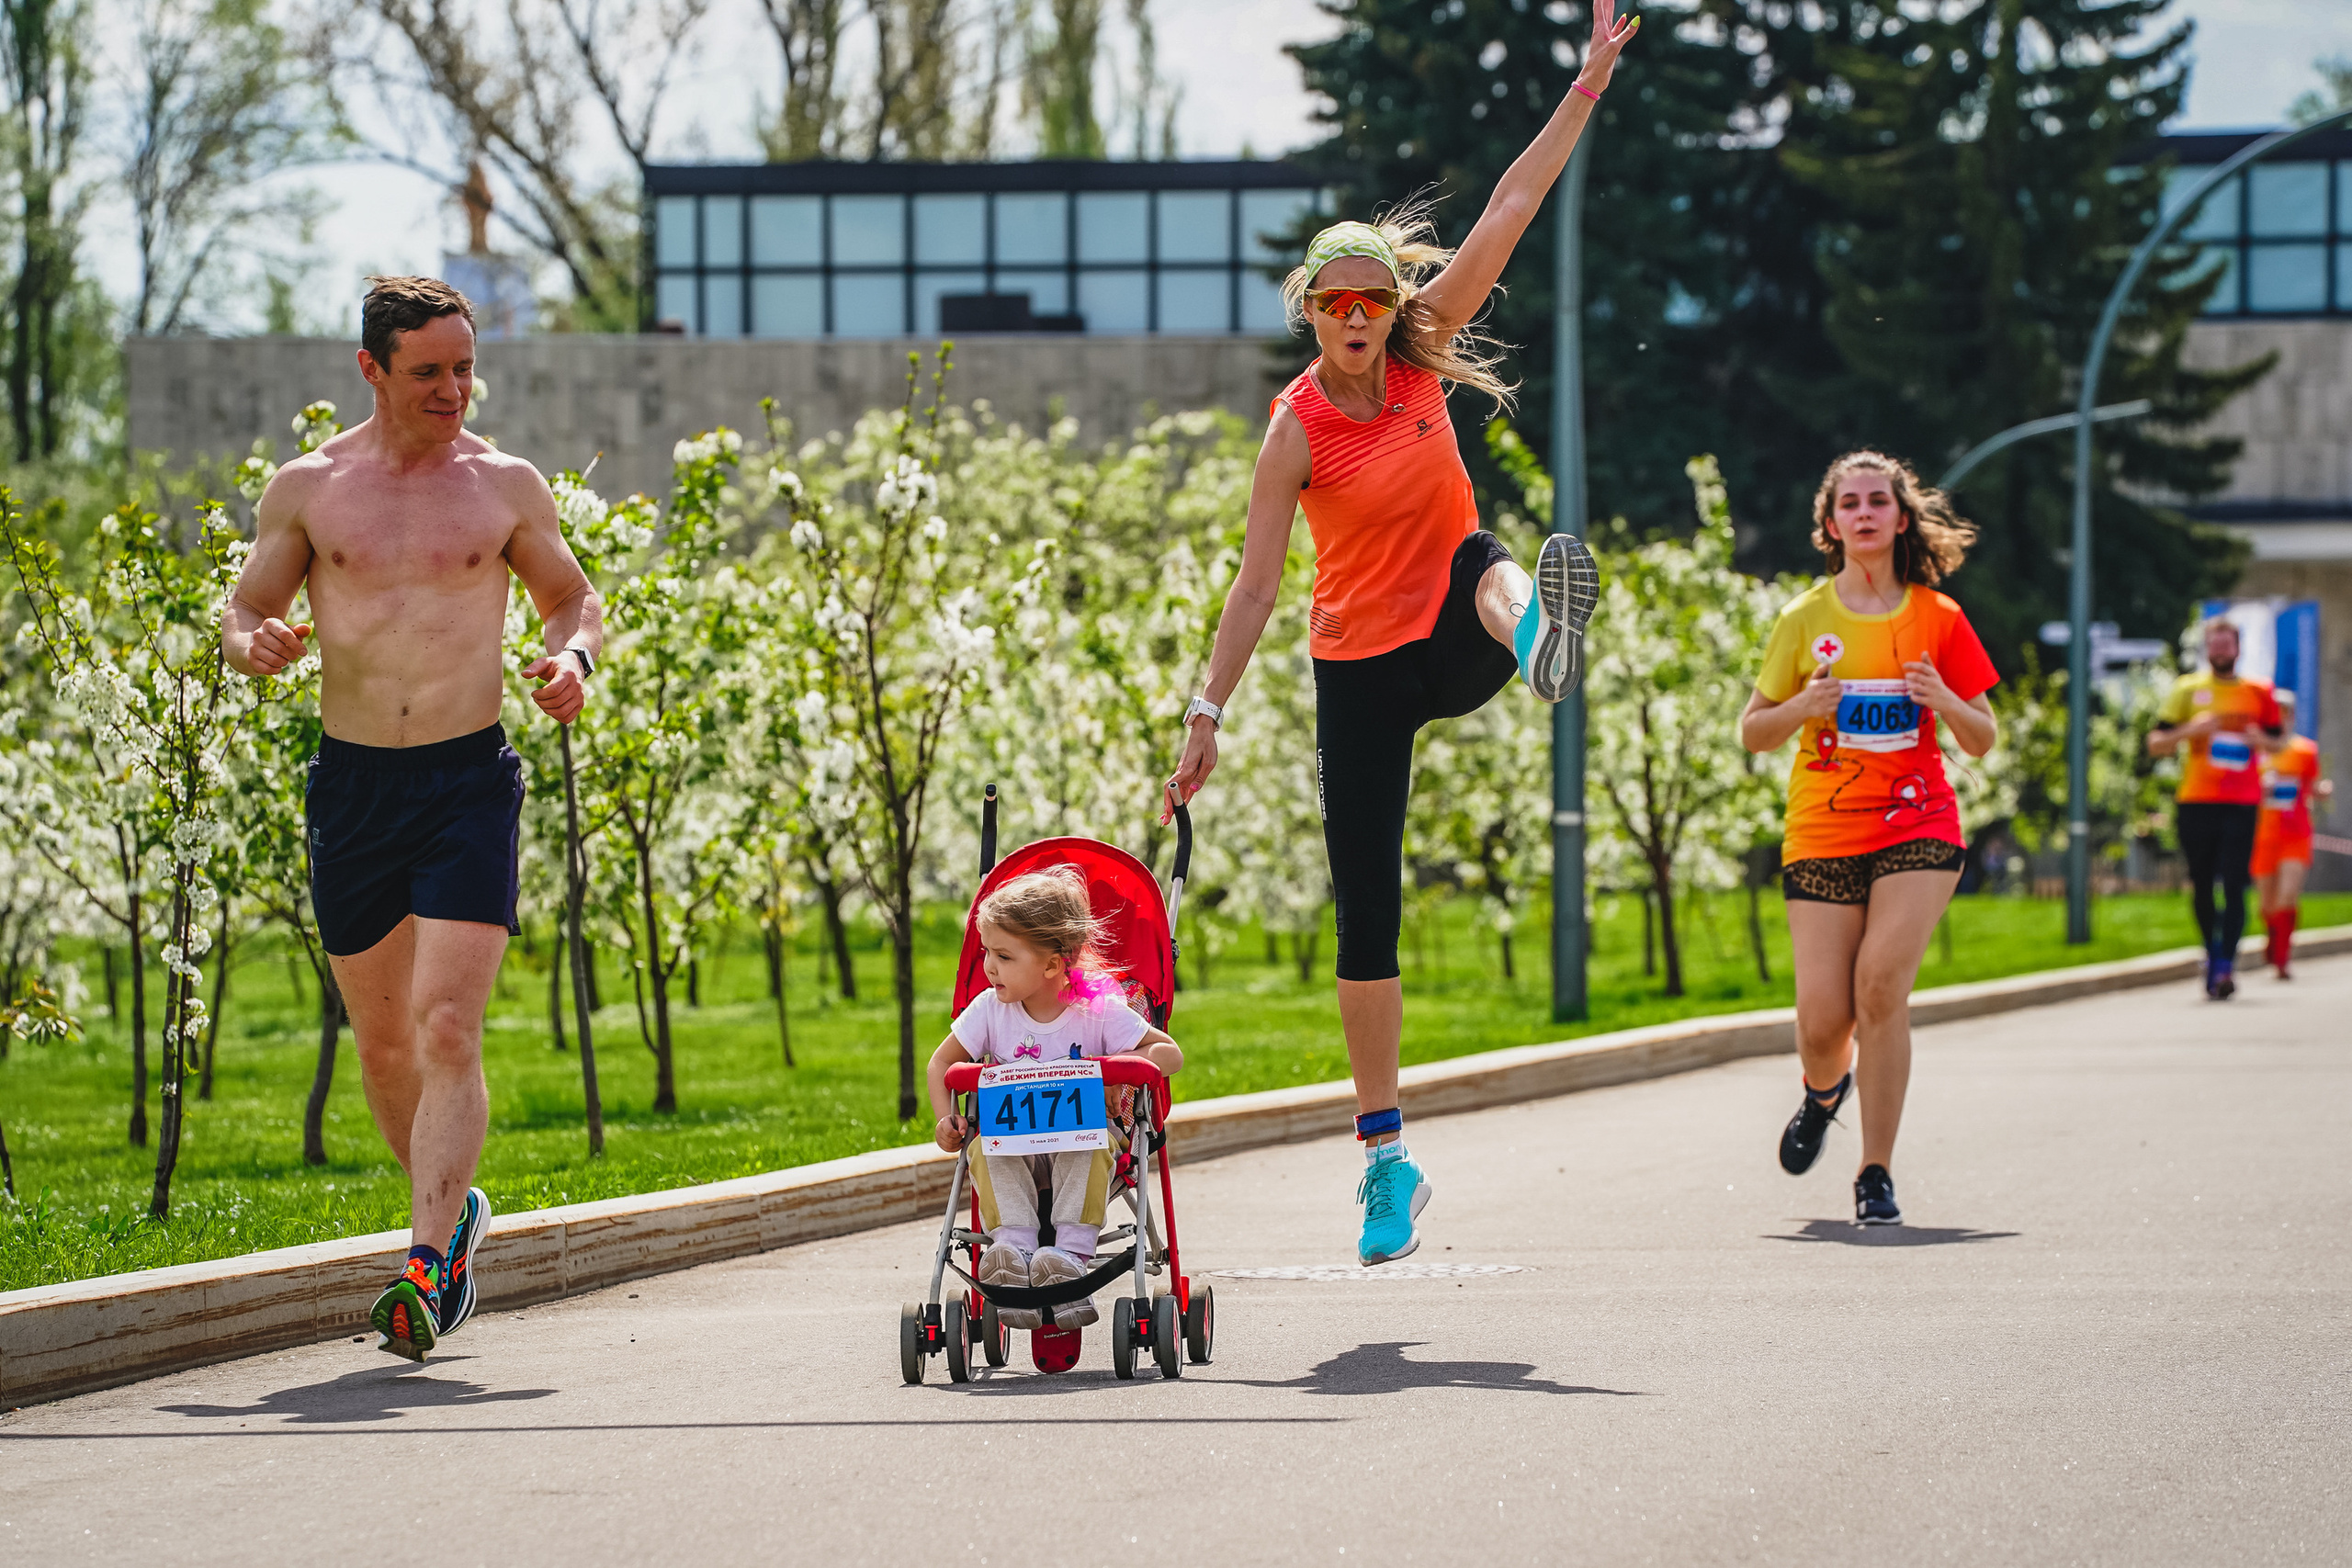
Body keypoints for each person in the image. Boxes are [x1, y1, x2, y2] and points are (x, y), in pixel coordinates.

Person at [1161, 0, 1637, 1268]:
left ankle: (1544, 635)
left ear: (1394, 302)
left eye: (1377, 293)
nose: (1363, 314)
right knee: (1364, 909)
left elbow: (1510, 210)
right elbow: (1257, 587)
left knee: (1486, 558)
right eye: (1339, 300)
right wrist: (1205, 714)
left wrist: (1586, 82)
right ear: (1311, 311)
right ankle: (1387, 1159)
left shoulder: (1426, 361)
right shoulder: (1295, 429)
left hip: (1458, 625)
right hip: (1356, 668)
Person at [221, 276, 603, 1360]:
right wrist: (247, 641)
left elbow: (572, 597)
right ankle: (455, 1214)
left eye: (464, 368)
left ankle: (426, 1263)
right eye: (428, 370)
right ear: (371, 369)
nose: (453, 390)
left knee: (445, 1026)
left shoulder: (504, 485)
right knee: (384, 1045)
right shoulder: (309, 489)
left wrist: (570, 657)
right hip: (353, 789)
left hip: (466, 782)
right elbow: (247, 607)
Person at [1739, 454, 1998, 1226]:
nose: (1863, 513)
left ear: (1899, 517)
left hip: (1918, 821)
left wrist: (1942, 695)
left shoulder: (1939, 618)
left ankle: (1875, 1171)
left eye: (1876, 500)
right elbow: (1754, 730)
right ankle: (1825, 1093)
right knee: (1824, 1021)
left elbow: (1982, 737)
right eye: (1847, 503)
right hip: (1823, 826)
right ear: (1830, 524)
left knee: (1881, 986)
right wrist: (1805, 705)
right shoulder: (1804, 619)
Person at [928, 867, 1184, 1331]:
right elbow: (940, 1067)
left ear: (1051, 964)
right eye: (986, 952)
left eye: (1003, 956)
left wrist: (1121, 1066)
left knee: (1084, 1144)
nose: (988, 966)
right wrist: (944, 1119)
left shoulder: (1098, 1009)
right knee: (983, 1148)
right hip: (1012, 1143)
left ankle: (1069, 1253)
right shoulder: (989, 1009)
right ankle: (1013, 1250)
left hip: (1083, 1139)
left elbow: (1169, 1053)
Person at [2149, 619, 2283, 1000]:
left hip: (2242, 801)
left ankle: (2227, 961)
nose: (2221, 651)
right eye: (2214, 645)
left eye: (2227, 645)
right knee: (2203, 882)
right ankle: (2211, 950)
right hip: (2196, 800)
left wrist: (2261, 740)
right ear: (2207, 649)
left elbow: (2279, 741)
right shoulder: (2187, 689)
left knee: (2236, 883)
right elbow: (2156, 741)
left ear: (2238, 649)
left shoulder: (2258, 692)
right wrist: (2191, 731)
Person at [2253, 690, 2330, 980]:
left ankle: (2283, 957)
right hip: (2263, 834)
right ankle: (2274, 939)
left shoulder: (2304, 751)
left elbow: (2311, 788)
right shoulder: (2256, 752)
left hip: (2296, 833)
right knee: (2267, 903)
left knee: (2287, 895)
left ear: (2292, 717)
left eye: (2285, 714)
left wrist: (2321, 792)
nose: (2281, 720)